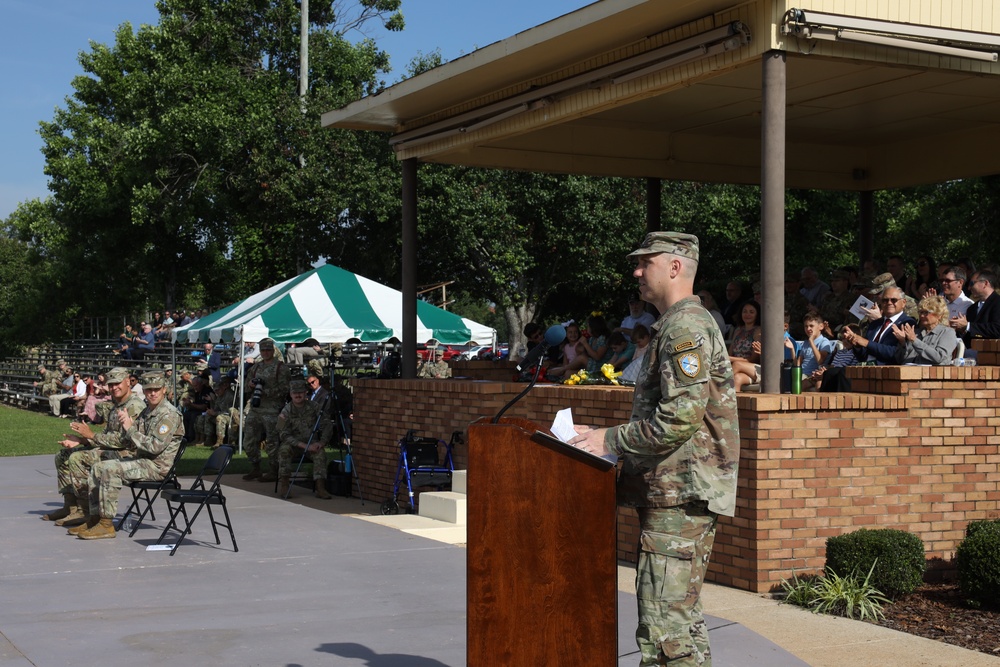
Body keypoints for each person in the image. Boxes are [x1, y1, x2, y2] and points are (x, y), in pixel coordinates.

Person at [568, 231, 739, 667]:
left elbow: (678, 419)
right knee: (681, 623)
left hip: (680, 493)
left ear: (676, 267)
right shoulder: (679, 325)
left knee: (665, 631)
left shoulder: (685, 327)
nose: (637, 271)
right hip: (676, 492)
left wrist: (607, 439)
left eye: (646, 262)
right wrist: (604, 434)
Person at [72, 371, 185, 539]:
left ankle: (106, 525)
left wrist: (129, 428)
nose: (152, 393)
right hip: (143, 460)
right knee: (98, 467)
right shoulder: (147, 411)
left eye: (156, 389)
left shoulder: (169, 414)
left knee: (110, 469)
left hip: (157, 467)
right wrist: (89, 440)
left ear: (164, 390)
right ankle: (95, 518)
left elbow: (154, 447)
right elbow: (128, 439)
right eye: (148, 390)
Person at [42, 367, 146, 526]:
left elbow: (126, 441)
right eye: (111, 384)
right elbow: (106, 435)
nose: (114, 387)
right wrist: (82, 441)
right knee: (63, 456)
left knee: (78, 458)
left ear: (127, 382)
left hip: (128, 454)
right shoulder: (117, 405)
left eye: (117, 383)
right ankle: (70, 506)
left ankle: (85, 511)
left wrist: (91, 436)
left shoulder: (134, 406)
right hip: (112, 450)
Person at [241, 338, 291, 482]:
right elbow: (245, 388)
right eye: (263, 350)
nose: (265, 353)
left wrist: (266, 391)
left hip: (273, 409)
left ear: (273, 350)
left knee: (272, 441)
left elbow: (286, 389)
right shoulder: (256, 367)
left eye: (268, 350)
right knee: (249, 440)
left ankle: (273, 470)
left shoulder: (281, 368)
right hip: (256, 408)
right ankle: (255, 467)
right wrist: (251, 385)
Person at [276, 379, 332, 499]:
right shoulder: (285, 411)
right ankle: (285, 485)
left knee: (320, 454)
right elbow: (282, 434)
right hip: (293, 445)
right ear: (290, 394)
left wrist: (322, 442)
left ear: (306, 392)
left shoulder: (315, 407)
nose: (298, 395)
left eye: (300, 392)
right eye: (295, 393)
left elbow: (327, 424)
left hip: (312, 443)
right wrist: (304, 446)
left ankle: (320, 487)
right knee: (284, 451)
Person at [841, 286, 917, 365]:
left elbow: (897, 353)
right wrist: (857, 345)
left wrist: (867, 343)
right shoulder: (875, 324)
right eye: (885, 300)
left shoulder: (907, 323)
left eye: (894, 300)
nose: (889, 303)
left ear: (903, 302)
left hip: (888, 371)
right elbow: (863, 356)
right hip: (865, 369)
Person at [893, 295, 957, 365]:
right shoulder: (916, 332)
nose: (922, 316)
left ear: (939, 315)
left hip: (933, 374)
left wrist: (915, 340)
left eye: (926, 312)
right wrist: (902, 343)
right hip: (909, 372)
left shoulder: (947, 333)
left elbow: (939, 357)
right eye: (921, 312)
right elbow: (900, 360)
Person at [951, 269, 1000, 344]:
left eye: (971, 283)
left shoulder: (997, 302)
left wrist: (968, 326)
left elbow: (997, 329)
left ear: (985, 283)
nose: (969, 288)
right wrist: (961, 328)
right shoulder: (972, 308)